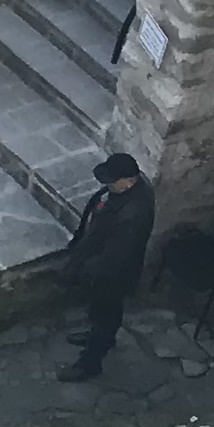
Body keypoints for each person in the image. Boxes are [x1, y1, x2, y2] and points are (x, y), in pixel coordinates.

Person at [61, 151, 157, 381]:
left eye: (112, 181)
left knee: (106, 314)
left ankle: (90, 363)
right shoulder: (122, 193)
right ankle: (99, 335)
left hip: (111, 276)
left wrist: (86, 271)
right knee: (102, 312)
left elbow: (115, 255)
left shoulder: (133, 214)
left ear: (129, 181)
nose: (108, 185)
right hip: (102, 269)